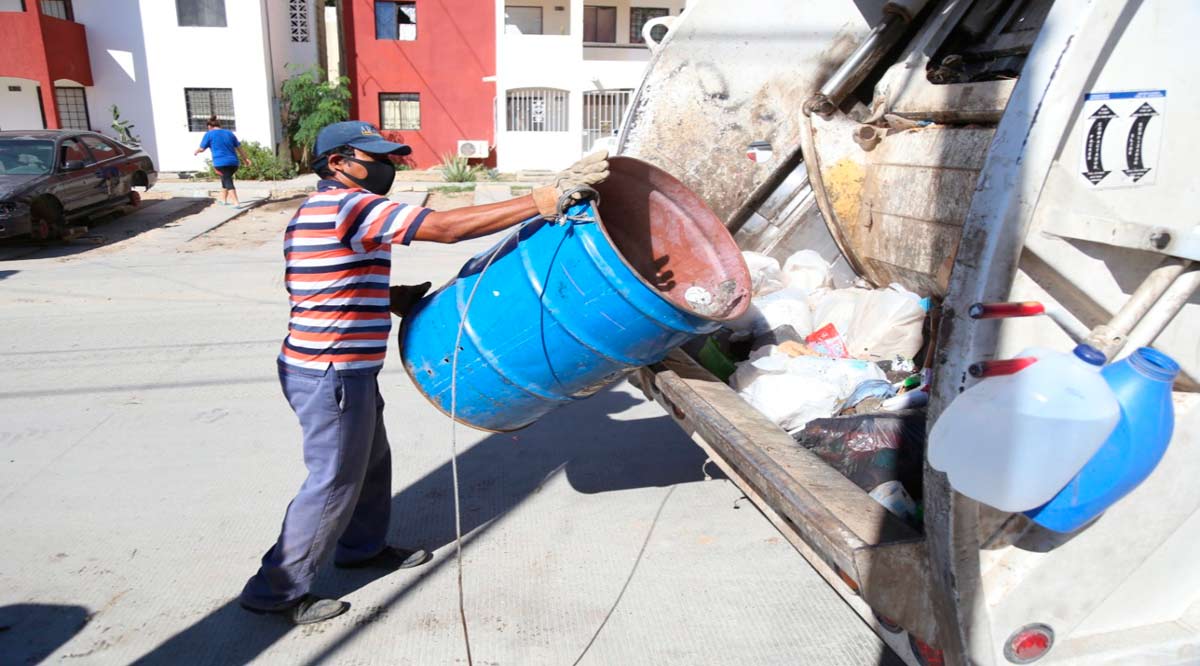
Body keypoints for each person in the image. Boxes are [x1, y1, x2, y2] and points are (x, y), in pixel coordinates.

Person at [238, 121, 609, 625]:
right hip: (331, 370)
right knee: (333, 479)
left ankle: (361, 547)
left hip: (338, 366)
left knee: (370, 462)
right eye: (373, 156)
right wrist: (544, 199)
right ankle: (274, 590)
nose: (386, 165)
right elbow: (448, 228)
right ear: (338, 163)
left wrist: (389, 298)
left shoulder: (320, 211)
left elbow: (317, 280)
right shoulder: (349, 205)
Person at [194, 115, 251, 207]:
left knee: (228, 181)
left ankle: (236, 202)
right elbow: (239, 148)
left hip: (220, 163)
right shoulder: (229, 133)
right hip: (234, 163)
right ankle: (223, 200)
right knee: (225, 179)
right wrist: (246, 159)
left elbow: (202, 148)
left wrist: (196, 151)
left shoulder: (209, 134)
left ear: (209, 126)